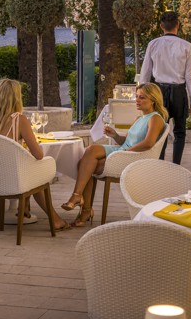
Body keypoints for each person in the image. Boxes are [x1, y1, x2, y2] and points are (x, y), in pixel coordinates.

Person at [60, 83, 167, 226]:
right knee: (91, 151)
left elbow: (148, 143)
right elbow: (128, 140)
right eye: (136, 97)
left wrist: (127, 152)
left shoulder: (155, 118)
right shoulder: (139, 118)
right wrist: (115, 135)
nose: (137, 100)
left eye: (142, 97)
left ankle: (83, 207)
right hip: (122, 151)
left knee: (85, 166)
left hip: (131, 157)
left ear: (153, 100)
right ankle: (78, 198)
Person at [0, 79, 71, 232]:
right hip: (13, 180)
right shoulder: (18, 120)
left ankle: (25, 206)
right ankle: (54, 219)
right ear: (16, 98)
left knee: (28, 172)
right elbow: (38, 155)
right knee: (37, 175)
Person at [139, 11, 191, 164]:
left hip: (159, 92)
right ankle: (176, 165)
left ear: (161, 26)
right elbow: (190, 76)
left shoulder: (153, 44)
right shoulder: (186, 46)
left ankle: (160, 163)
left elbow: (145, 73)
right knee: (179, 132)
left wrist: (141, 95)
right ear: (178, 25)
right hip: (179, 92)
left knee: (160, 130)